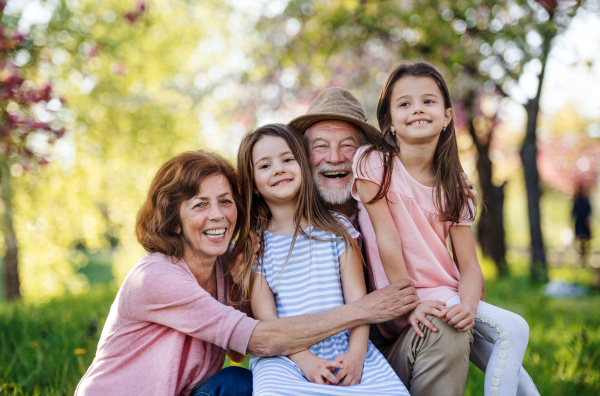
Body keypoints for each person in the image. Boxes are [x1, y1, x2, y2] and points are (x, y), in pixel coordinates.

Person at [75, 151, 420, 396]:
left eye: (225, 201)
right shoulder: (156, 277)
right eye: (199, 205)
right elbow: (261, 340)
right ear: (173, 220)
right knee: (242, 384)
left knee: (241, 382)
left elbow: (238, 352)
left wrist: (244, 280)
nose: (218, 216)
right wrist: (366, 309)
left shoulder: (224, 270)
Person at [352, 62, 539, 396]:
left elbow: (468, 265)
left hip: (448, 295)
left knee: (496, 353)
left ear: (448, 116)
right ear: (390, 122)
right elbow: (387, 239)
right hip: (407, 297)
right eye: (404, 103)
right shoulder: (373, 163)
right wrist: (408, 303)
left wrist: (467, 306)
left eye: (428, 101)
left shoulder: (455, 187)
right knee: (514, 329)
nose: (417, 109)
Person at [288, 86, 474, 395]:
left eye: (347, 145)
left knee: (443, 326)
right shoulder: (283, 221)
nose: (334, 158)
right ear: (303, 156)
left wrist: (449, 183)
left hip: (387, 353)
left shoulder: (388, 199)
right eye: (320, 146)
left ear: (364, 155)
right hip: (306, 367)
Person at [234, 124, 408, 395]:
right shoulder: (257, 245)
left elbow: (360, 306)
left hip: (345, 346)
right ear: (253, 184)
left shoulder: (337, 229)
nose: (279, 169)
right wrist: (306, 360)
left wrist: (356, 355)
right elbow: (267, 319)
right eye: (265, 166)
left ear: (302, 165)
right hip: (287, 356)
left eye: (287, 159)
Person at [572, 184, 592, 266]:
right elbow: (573, 212)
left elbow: (589, 212)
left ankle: (585, 257)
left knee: (586, 241)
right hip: (579, 223)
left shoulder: (586, 201)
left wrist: (589, 220)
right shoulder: (576, 201)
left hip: (585, 223)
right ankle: (580, 257)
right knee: (579, 240)